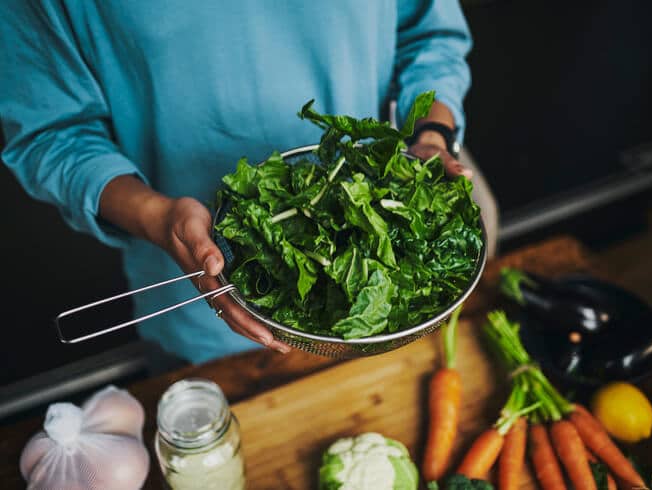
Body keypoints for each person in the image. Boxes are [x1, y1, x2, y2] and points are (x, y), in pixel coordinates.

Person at [0, 1, 497, 363]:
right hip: (202, 285)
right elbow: (52, 133)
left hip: (386, 276)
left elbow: (428, 34)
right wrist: (158, 217)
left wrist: (433, 137)